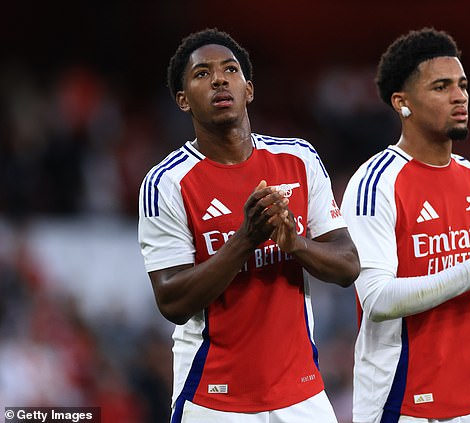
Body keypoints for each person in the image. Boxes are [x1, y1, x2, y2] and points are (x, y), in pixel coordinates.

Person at [138, 28, 360, 423]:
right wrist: (245, 239)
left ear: (249, 90)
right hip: (213, 399)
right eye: (202, 74)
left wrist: (295, 244)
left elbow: (347, 266)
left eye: (230, 70)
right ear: (183, 100)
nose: (220, 79)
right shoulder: (167, 182)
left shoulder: (298, 159)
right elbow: (171, 300)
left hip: (302, 395)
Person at [340, 28, 470, 423]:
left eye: (463, 85)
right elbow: (377, 300)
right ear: (403, 103)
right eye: (441, 86)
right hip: (406, 404)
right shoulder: (374, 183)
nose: (460, 96)